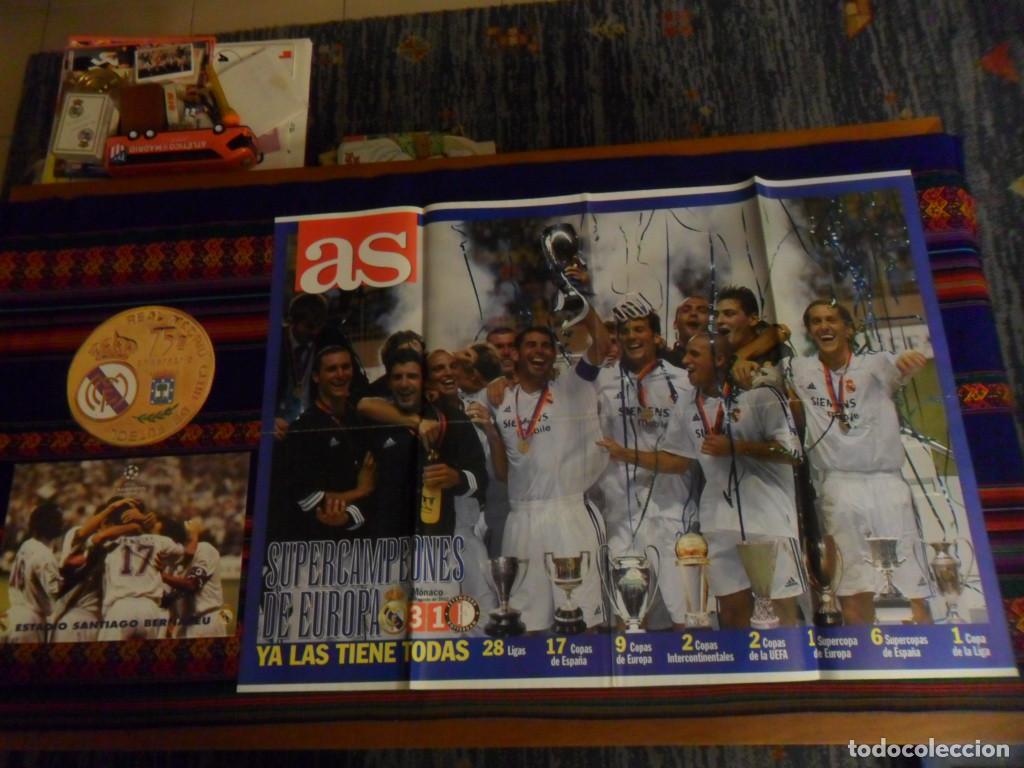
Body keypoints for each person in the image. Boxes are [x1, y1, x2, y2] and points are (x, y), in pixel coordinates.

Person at [600, 332, 806, 629]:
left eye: (694, 355)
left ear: (720, 359)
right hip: (718, 521)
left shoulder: (759, 392)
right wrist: (624, 454)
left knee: (779, 611)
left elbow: (793, 452)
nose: (685, 361)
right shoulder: (687, 402)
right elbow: (677, 460)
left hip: (768, 518)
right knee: (733, 614)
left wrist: (736, 447)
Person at [787, 299, 932, 625]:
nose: (824, 326)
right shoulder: (800, 369)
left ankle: (926, 659)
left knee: (909, 583)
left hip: (885, 482)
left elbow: (902, 366)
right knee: (852, 584)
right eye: (815, 321)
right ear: (809, 331)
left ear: (849, 328)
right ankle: (867, 660)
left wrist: (909, 361)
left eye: (831, 320)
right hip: (839, 485)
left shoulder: (876, 364)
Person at [479, 312, 610, 633]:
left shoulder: (572, 387)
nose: (539, 351)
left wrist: (582, 308)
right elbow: (501, 473)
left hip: (568, 513)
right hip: (522, 518)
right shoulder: (499, 398)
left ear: (554, 354)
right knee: (527, 622)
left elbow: (603, 343)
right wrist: (494, 434)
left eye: (545, 346)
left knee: (583, 620)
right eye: (531, 345)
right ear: (516, 354)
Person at [590, 304, 697, 629]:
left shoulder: (683, 381)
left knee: (689, 614)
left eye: (639, 329)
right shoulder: (600, 382)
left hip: (672, 508)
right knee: (630, 615)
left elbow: (689, 453)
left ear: (655, 335)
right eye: (626, 331)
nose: (632, 337)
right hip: (622, 513)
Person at [267, 342, 376, 544]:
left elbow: (375, 485)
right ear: (316, 377)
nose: (341, 375)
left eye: (346, 367)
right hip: (312, 545)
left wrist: (350, 515)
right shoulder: (303, 430)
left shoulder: (359, 420)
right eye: (332, 369)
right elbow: (304, 497)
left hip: (357, 541)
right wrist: (360, 491)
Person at [98, 505, 200, 641]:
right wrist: (195, 535)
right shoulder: (159, 541)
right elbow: (189, 552)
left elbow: (97, 534)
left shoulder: (110, 542)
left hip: (121, 606)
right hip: (150, 608)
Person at [4, 502, 63, 643]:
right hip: (30, 623)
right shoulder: (45, 555)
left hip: (11, 616)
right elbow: (57, 593)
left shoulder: (27, 544)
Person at [160, 517, 227, 638]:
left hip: (206, 620)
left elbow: (192, 584)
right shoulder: (170, 566)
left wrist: (160, 575)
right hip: (183, 625)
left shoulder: (205, 549)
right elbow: (166, 602)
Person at [714, 286, 791, 389]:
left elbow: (782, 330)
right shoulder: (710, 350)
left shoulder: (778, 354)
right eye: (716, 315)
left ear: (753, 319)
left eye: (729, 314)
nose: (719, 321)